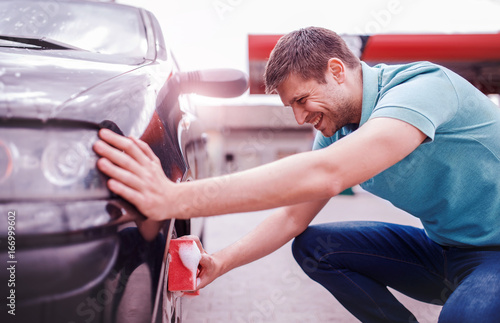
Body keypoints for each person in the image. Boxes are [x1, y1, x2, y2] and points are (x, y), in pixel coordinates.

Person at [93, 27, 500, 322]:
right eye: (291, 106)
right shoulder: (337, 132)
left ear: (337, 70)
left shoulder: (422, 87)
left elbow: (328, 173)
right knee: (315, 246)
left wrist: (175, 197)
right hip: (446, 253)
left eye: (302, 99)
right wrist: (220, 261)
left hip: (495, 254)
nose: (300, 117)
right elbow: (291, 216)